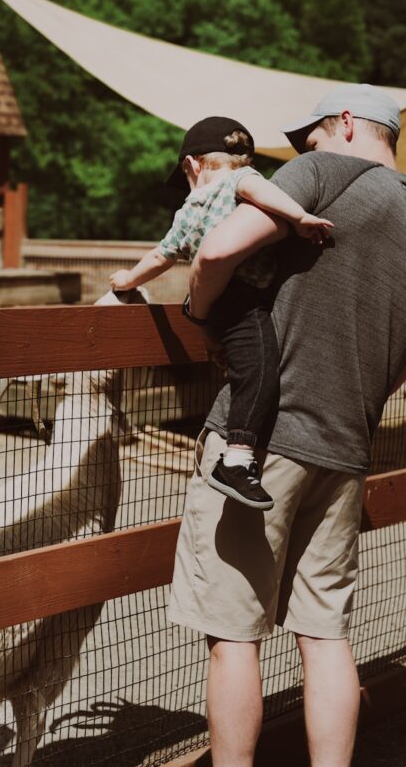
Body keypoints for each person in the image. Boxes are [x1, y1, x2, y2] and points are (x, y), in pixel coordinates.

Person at [167, 83, 406, 767]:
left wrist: (200, 312)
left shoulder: (325, 172)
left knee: (233, 636)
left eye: (309, 138)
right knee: (324, 634)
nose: (301, 152)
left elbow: (216, 250)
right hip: (346, 445)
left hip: (264, 441)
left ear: (344, 124)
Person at [110, 116, 332, 510]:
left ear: (192, 165)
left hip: (216, 306)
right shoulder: (240, 181)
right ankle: (237, 459)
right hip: (246, 298)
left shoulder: (185, 210)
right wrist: (299, 218)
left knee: (242, 364)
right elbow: (261, 188)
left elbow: (162, 256)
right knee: (261, 372)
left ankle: (235, 445)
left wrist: (128, 279)